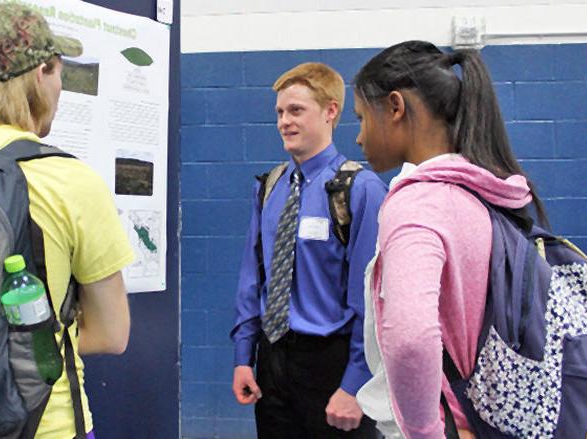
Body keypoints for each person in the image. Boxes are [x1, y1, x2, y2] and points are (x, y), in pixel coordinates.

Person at [351, 40, 548, 438]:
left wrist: (424, 432)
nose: (358, 137)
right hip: (484, 420)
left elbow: (409, 339)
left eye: (360, 118)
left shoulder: (417, 204)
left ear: (394, 107)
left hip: (445, 425)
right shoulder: (479, 193)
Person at [0, 3, 134, 438]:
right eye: (58, 72)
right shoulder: (68, 179)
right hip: (44, 424)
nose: (60, 87)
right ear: (40, 74)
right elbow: (113, 335)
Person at [231, 62, 386, 438]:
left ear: (331, 111)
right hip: (272, 360)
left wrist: (354, 384)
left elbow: (372, 301)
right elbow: (253, 277)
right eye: (280, 112)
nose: (285, 121)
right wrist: (243, 357)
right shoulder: (270, 186)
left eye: (296, 110)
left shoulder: (359, 190)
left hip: (332, 365)